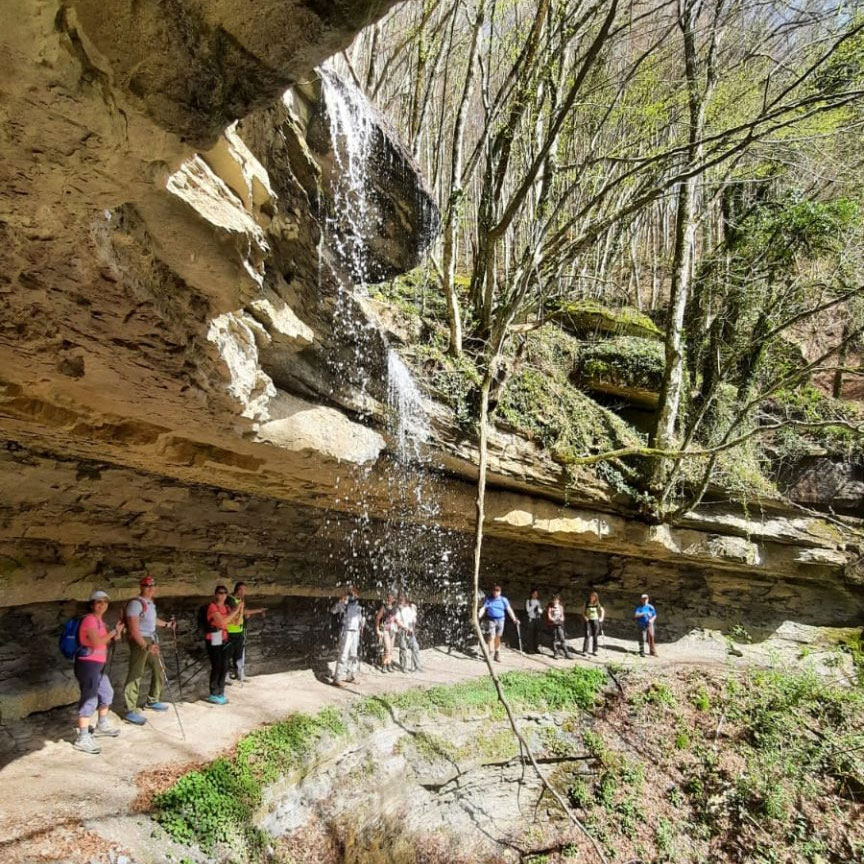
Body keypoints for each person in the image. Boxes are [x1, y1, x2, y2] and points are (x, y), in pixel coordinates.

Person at [73, 590, 125, 754]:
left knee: (107, 692)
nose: (102, 605)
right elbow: (96, 643)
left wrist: (116, 634)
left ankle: (102, 724)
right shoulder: (89, 620)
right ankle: (82, 737)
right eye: (98, 602)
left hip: (98, 665)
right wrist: (112, 633)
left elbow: (105, 643)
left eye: (105, 602)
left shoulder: (100, 622)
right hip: (87, 665)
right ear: (92, 604)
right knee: (90, 698)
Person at [123, 574, 176, 725]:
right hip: (141, 640)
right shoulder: (136, 604)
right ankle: (129, 709)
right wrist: (145, 645)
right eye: (147, 586)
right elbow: (134, 629)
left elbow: (152, 621)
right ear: (141, 587)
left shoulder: (149, 603)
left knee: (159, 667)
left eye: (152, 586)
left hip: (151, 638)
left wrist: (167, 624)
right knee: (136, 673)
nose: (150, 588)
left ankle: (152, 700)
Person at [203, 585, 244, 704]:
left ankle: (221, 691)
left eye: (225, 593)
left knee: (225, 665)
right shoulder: (212, 606)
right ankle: (213, 693)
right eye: (220, 593)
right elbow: (221, 622)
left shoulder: (226, 607)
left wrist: (240, 610)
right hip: (214, 638)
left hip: (224, 638)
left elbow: (236, 622)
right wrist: (236, 610)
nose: (223, 595)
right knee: (217, 665)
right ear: (216, 594)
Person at [226, 581, 266, 683]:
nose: (245, 592)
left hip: (239, 630)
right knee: (227, 654)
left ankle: (240, 674)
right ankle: (226, 675)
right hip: (229, 631)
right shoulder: (230, 599)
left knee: (239, 654)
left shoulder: (240, 600)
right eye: (243, 590)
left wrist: (246, 615)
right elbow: (241, 612)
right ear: (238, 589)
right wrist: (258, 610)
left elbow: (243, 613)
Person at [478, 585, 520, 662]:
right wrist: (479, 615)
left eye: (497, 591)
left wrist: (514, 619)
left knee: (498, 637)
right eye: (494, 591)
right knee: (491, 636)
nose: (496, 592)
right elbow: (483, 608)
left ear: (500, 592)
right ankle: (490, 653)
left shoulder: (503, 600)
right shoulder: (489, 600)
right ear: (493, 591)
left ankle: (497, 653)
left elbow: (509, 609)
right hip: (491, 620)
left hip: (501, 620)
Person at [332, 587, 364, 686]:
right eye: (352, 593)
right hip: (346, 631)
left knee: (353, 654)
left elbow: (360, 619)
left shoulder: (358, 607)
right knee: (344, 654)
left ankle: (350, 675)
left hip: (356, 632)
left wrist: (361, 627)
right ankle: (337, 678)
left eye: (356, 593)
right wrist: (341, 600)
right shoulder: (344, 604)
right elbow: (333, 610)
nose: (354, 595)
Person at [395, 594, 422, 673]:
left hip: (410, 631)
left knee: (415, 647)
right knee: (403, 649)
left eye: (403, 599)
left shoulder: (411, 608)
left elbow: (413, 619)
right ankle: (404, 667)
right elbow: (397, 621)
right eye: (401, 599)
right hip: (402, 631)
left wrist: (412, 627)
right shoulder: (398, 609)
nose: (402, 600)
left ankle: (417, 666)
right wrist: (405, 627)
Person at [375, 593, 399, 672]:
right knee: (387, 648)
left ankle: (389, 664)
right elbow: (378, 618)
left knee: (391, 649)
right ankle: (384, 665)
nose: (393, 598)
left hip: (393, 630)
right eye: (391, 597)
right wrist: (377, 629)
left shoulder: (395, 608)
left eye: (393, 597)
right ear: (388, 598)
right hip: (385, 629)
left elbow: (396, 619)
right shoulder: (384, 607)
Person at [545, 594, 572, 659]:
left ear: (558, 601)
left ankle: (566, 652)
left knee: (562, 638)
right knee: (554, 638)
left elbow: (562, 615)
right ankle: (555, 652)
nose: (555, 601)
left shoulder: (560, 607)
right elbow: (549, 616)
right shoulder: (550, 607)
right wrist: (553, 619)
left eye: (557, 600)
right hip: (553, 624)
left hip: (559, 624)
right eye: (554, 600)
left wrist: (562, 619)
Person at [582, 591, 605, 656]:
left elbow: (602, 610)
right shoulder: (586, 603)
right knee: (587, 635)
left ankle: (595, 650)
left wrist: (601, 618)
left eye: (593, 597)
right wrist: (585, 617)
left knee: (595, 636)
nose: (592, 598)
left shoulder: (597, 604)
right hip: (588, 621)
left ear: (596, 598)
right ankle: (585, 651)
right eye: (591, 596)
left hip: (595, 621)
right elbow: (583, 612)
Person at [524, 589, 543, 654]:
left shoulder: (538, 601)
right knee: (530, 634)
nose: (535, 595)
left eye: (537, 594)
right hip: (530, 619)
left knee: (536, 634)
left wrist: (540, 611)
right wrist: (534, 606)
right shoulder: (528, 601)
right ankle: (530, 648)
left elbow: (539, 610)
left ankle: (536, 648)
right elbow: (528, 610)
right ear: (531, 594)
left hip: (537, 619)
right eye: (534, 594)